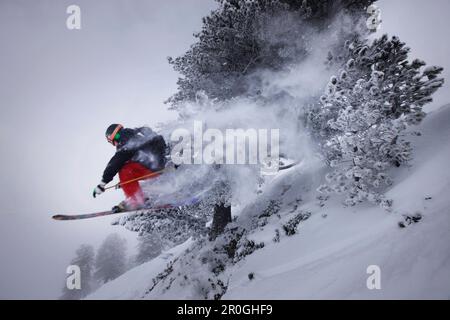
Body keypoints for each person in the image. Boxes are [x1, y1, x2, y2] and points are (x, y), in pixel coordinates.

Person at [92, 124, 167, 212]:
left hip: (153, 165)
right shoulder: (134, 135)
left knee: (124, 169)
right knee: (127, 169)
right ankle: (144, 196)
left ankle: (137, 200)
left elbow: (116, 162)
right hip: (156, 164)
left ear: (113, 137)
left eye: (110, 142)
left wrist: (103, 182)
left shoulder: (126, 140)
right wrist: (124, 182)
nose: (113, 144)